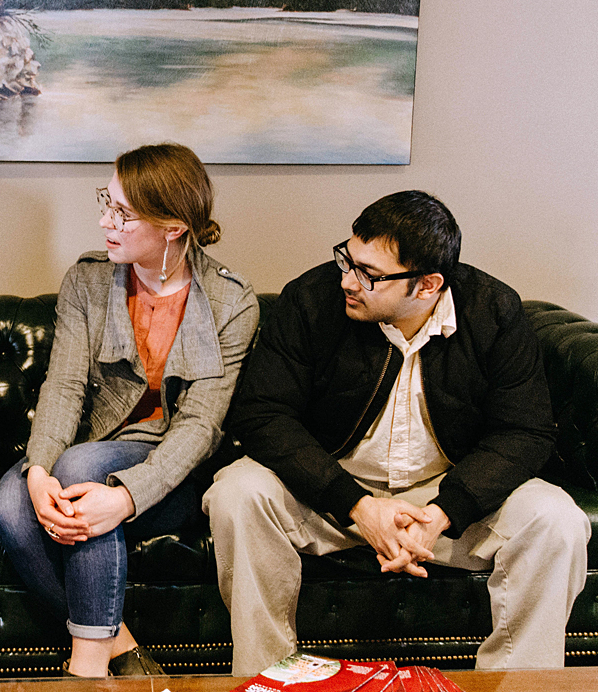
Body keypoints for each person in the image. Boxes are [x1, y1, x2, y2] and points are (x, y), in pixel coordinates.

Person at [203, 190, 592, 677]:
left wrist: (443, 513)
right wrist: (358, 506)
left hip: (446, 496)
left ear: (427, 285)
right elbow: (263, 415)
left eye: (369, 274)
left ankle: (517, 685)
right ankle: (268, 679)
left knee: (556, 519)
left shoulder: (494, 310)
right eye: (347, 259)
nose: (347, 281)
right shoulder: (309, 300)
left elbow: (525, 431)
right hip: (331, 491)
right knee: (237, 492)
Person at [0, 143, 259, 677]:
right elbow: (64, 386)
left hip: (174, 470)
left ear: (173, 228)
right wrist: (38, 470)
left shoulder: (232, 302)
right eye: (106, 204)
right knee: (11, 502)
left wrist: (126, 498)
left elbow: (200, 427)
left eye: (123, 214)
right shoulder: (87, 280)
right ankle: (123, 647)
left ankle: (86, 669)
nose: (104, 222)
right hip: (93, 449)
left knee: (80, 468)